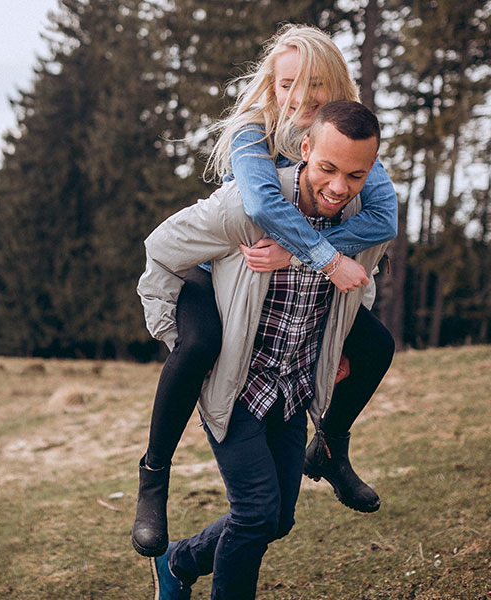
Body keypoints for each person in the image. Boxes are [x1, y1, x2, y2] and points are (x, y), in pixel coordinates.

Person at [131, 24, 397, 559]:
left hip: (281, 283)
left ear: (337, 85)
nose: (299, 99)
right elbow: (260, 208)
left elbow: (382, 217)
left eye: (314, 85)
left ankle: (331, 448)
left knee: (375, 345)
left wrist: (302, 256)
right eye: (286, 85)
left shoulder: (344, 142)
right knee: (201, 346)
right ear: (271, 86)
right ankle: (154, 476)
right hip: (212, 270)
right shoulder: (255, 131)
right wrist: (316, 253)